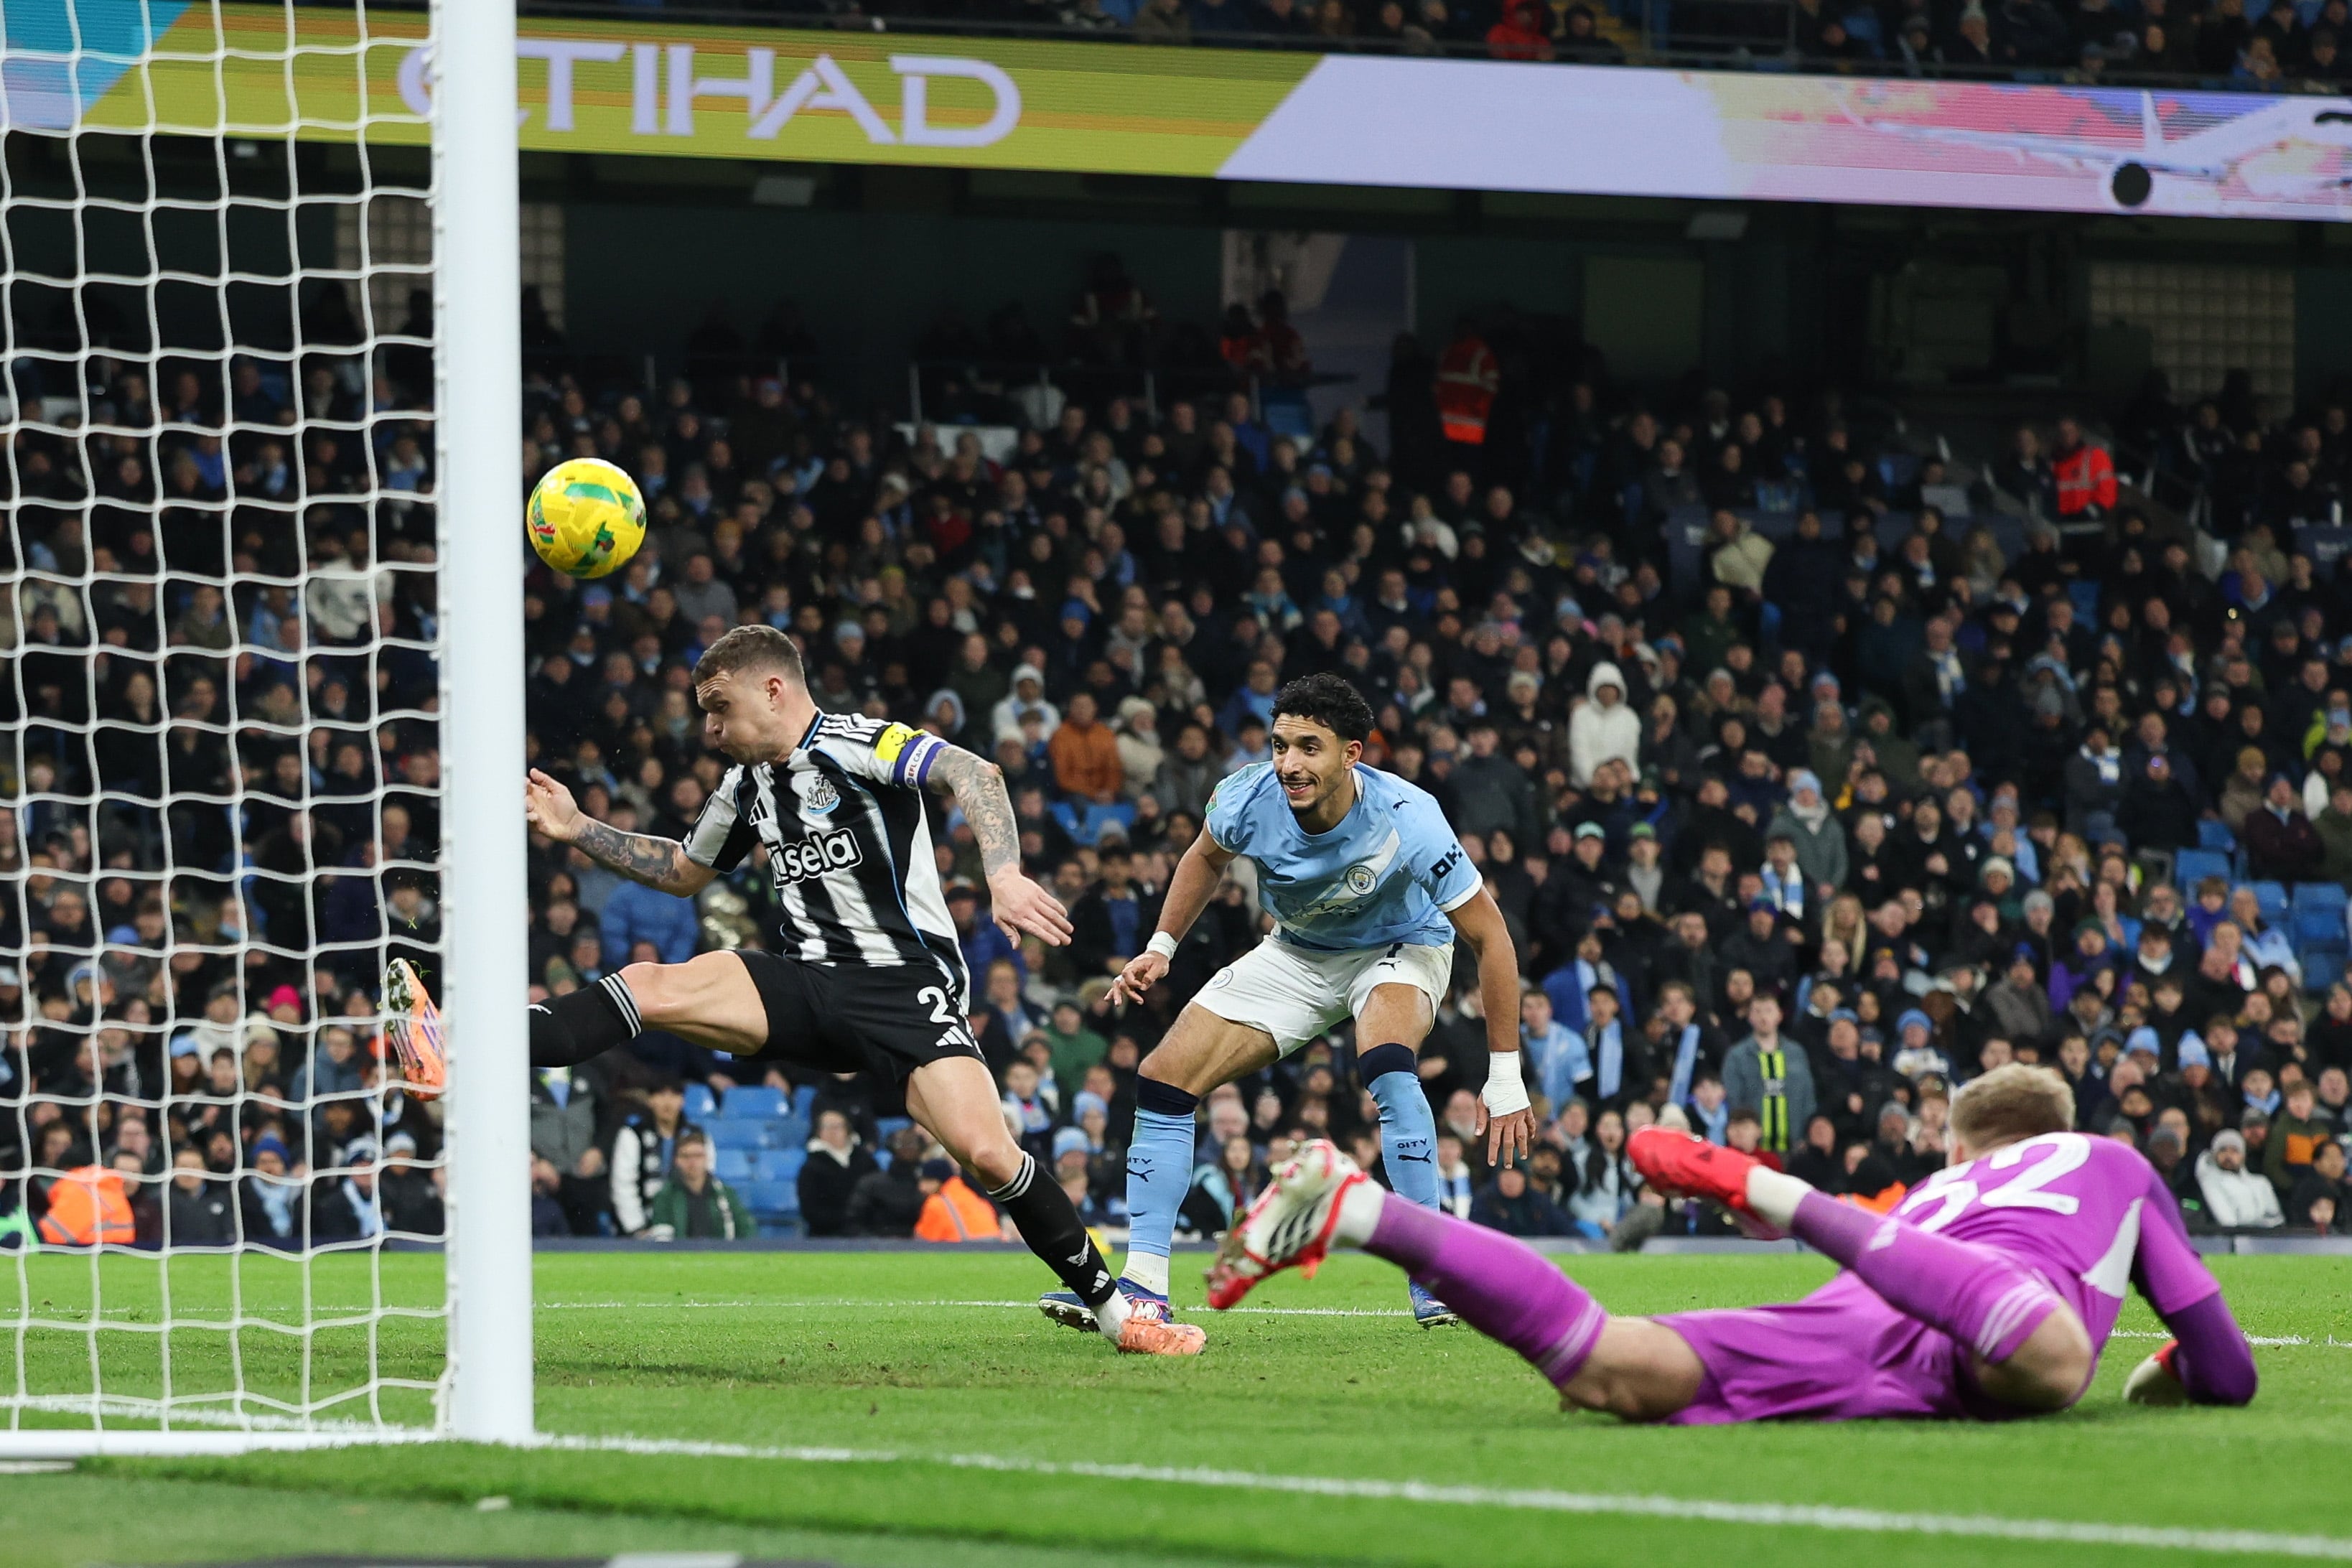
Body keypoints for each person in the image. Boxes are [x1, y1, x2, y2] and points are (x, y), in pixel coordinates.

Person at [399, 624, 1194, 1355]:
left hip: (902, 988)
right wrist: (578, 830)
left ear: (773, 689)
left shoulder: (857, 743)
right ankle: (452, 1044)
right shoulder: (747, 786)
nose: (709, 729)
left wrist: (1004, 873)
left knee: (990, 1154)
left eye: (720, 708)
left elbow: (971, 771)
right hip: (807, 981)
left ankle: (1119, 1315)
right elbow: (683, 870)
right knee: (648, 984)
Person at [1210, 1064, 2258, 1424]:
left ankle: (1361, 1210)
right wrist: (2165, 1376)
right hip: (1990, 1312)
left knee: (1611, 1372)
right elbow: (2230, 1370)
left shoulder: (1936, 1190)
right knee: (2054, 1362)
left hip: (1874, 1300)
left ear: (1969, 1144)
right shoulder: (2110, 1162)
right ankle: (1779, 1190)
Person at [1040, 673, 1533, 1335]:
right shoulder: (1247, 795)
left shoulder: (1408, 817)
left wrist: (1505, 1075)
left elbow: (1490, 935)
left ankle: (1432, 1272)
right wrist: (1162, 945)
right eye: (1280, 746)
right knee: (1162, 1078)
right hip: (1298, 952)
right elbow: (1203, 858)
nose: (1289, 765)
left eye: (1309, 748)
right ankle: (1143, 1289)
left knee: (1386, 1061)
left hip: (1402, 945)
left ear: (1351, 754)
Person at [645, 1131, 755, 1240]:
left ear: (707, 1158)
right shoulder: (665, 1196)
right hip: (681, 1255)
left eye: (698, 1156)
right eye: (686, 1156)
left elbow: (746, 1230)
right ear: (676, 1160)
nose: (692, 1162)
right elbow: (662, 1238)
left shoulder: (725, 1193)